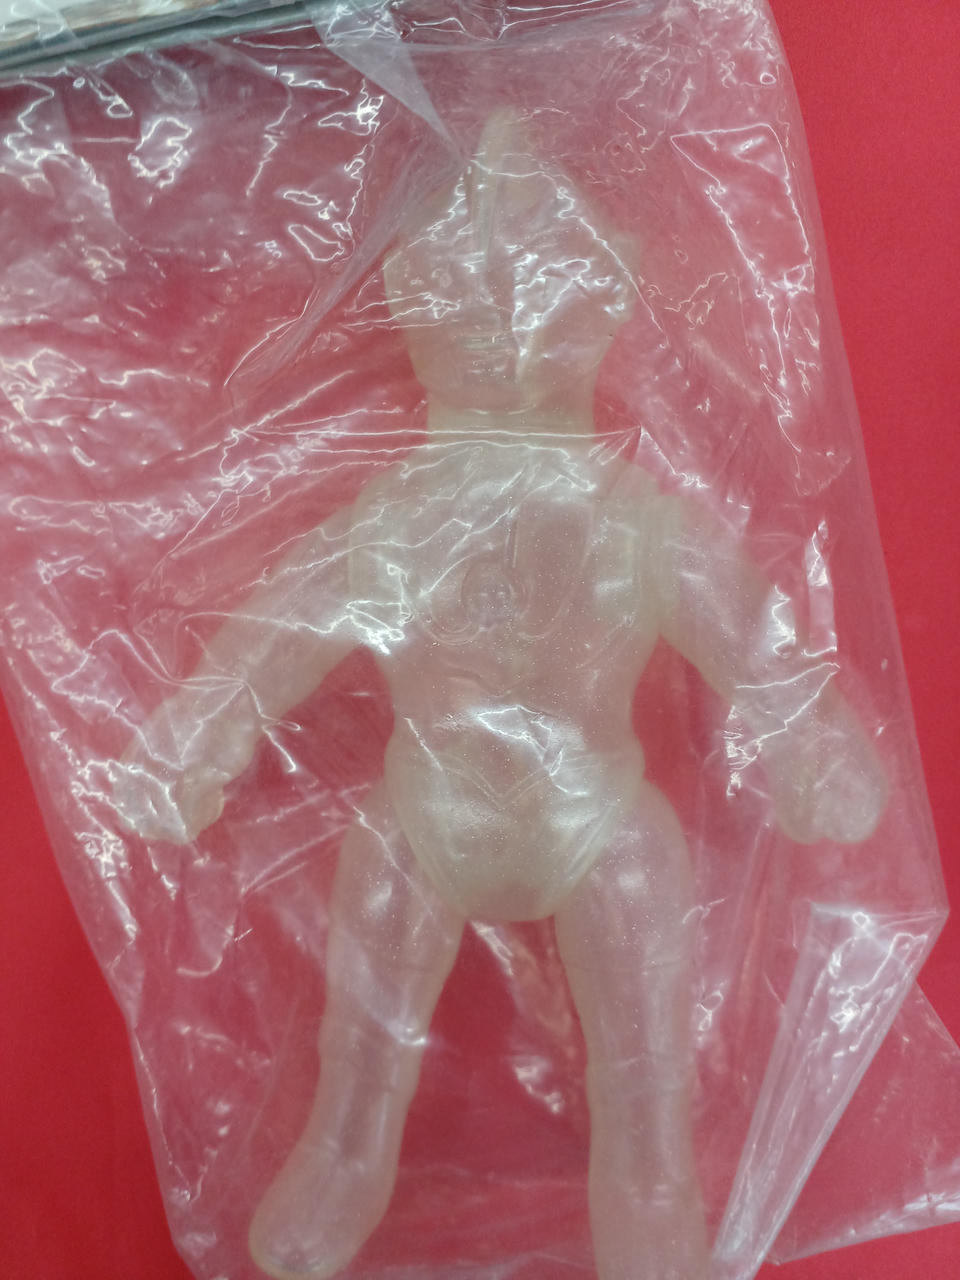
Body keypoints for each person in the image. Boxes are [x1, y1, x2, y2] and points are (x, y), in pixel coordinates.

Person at [113, 112, 885, 1280]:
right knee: (362, 1045)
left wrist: (813, 739)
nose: (507, 323)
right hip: (425, 809)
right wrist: (193, 738)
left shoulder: (633, 518)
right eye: (472, 294)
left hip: (601, 815)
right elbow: (278, 632)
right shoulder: (402, 517)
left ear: (605, 299)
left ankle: (652, 1191)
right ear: (416, 308)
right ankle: (344, 1155)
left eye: (533, 293)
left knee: (645, 1073)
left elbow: (750, 630)